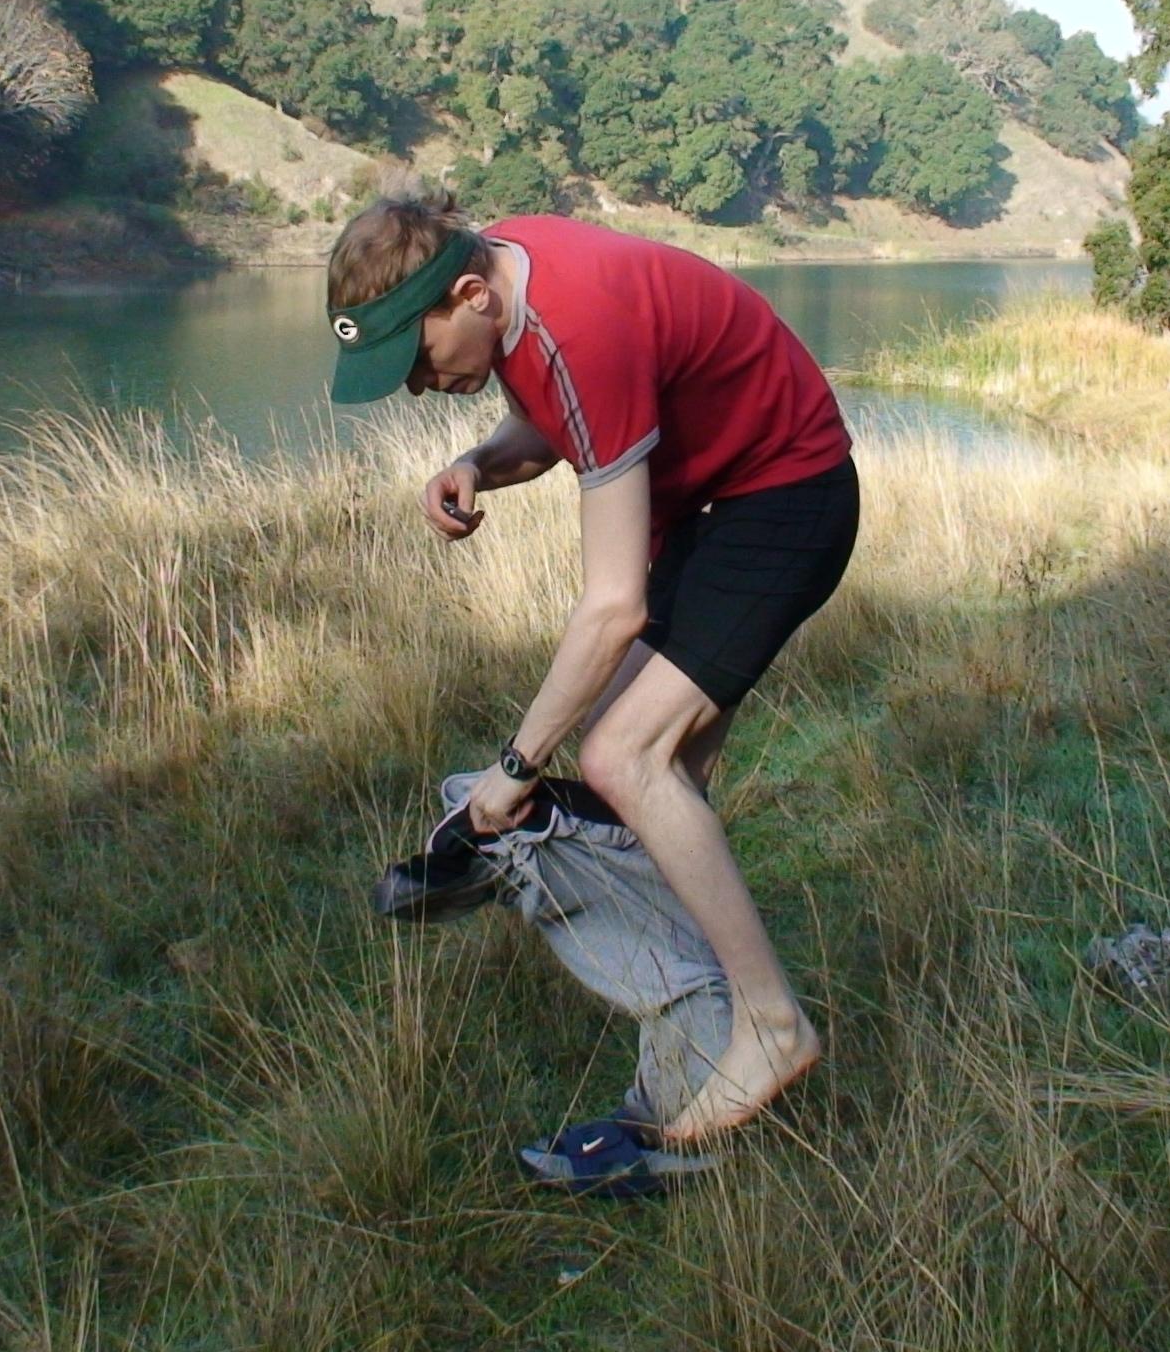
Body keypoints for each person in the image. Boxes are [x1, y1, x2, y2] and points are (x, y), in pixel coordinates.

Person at [325, 197, 858, 1158]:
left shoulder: (583, 323)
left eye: (414, 356)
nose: (413, 385)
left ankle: (775, 1031)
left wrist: (515, 766)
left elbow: (612, 606)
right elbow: (559, 421)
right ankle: (693, 1052)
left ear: (471, 293)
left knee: (621, 755)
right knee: (653, 787)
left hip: (785, 499)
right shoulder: (512, 278)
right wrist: (480, 461)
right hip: (717, 506)